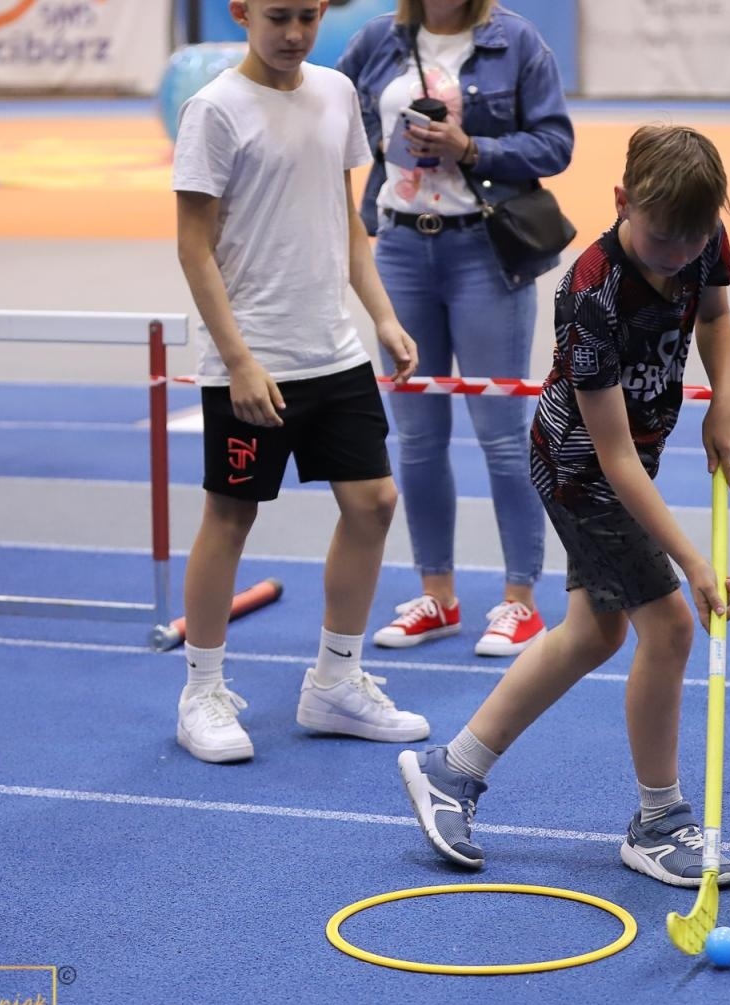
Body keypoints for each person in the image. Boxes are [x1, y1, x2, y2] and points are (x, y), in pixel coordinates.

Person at [397, 125, 730, 887]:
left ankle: (452, 770)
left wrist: (724, 401)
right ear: (623, 202)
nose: (679, 256)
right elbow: (613, 458)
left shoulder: (699, 231)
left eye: (693, 241)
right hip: (583, 468)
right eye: (663, 240)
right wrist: (691, 560)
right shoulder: (590, 292)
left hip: (632, 457)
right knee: (672, 626)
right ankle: (659, 821)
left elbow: (715, 317)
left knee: (592, 634)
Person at [171, 0, 430, 764]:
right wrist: (240, 359)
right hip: (253, 359)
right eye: (278, 17)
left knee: (375, 502)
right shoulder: (214, 109)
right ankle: (202, 691)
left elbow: (346, 221)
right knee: (230, 518)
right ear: (241, 12)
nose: (293, 34)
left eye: (308, 18)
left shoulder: (335, 93)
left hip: (333, 351)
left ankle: (335, 684)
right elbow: (194, 248)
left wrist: (381, 317)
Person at [337, 0, 573, 658]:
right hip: (401, 250)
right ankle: (436, 596)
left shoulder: (516, 41)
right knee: (415, 438)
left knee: (501, 435)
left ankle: (520, 601)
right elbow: (330, 117)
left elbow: (556, 144)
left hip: (484, 252)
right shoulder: (377, 41)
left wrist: (472, 147)